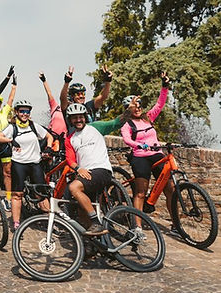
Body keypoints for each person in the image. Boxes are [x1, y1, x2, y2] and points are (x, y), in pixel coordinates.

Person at [0, 99, 48, 230]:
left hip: (35, 163)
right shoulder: (12, 127)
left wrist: (49, 147)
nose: (24, 114)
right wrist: (10, 140)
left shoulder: (33, 126)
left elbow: (48, 136)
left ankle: (49, 220)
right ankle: (16, 223)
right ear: (16, 112)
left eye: (27, 111)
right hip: (19, 164)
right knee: (17, 195)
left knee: (41, 194)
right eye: (22, 111)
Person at [121, 72, 173, 216]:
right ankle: (137, 225)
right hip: (140, 156)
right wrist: (138, 145)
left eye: (139, 106)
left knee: (170, 189)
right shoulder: (126, 124)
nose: (138, 109)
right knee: (141, 193)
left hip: (157, 154)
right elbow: (127, 140)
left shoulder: (148, 118)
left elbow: (160, 104)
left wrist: (165, 86)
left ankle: (176, 224)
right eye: (134, 107)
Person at [60, 102, 113, 236]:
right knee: (82, 211)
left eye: (80, 117)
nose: (78, 120)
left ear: (85, 117)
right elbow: (70, 159)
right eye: (74, 118)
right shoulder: (70, 139)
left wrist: (130, 110)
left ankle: (96, 223)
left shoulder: (95, 127)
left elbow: (117, 122)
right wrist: (78, 168)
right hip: (85, 174)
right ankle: (94, 242)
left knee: (74, 188)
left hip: (101, 169)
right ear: (70, 120)